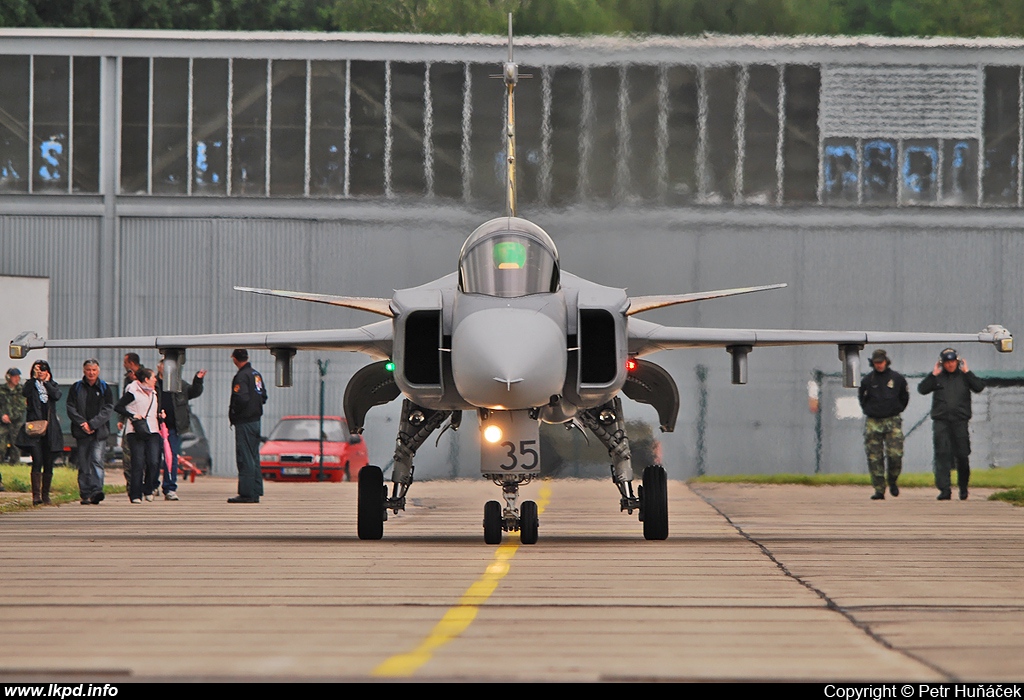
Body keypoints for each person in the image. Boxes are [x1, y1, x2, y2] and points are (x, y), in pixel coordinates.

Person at [918, 348, 985, 501]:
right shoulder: (938, 378)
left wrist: (968, 372)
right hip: (942, 422)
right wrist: (932, 375)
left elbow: (979, 387)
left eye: (952, 361)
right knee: (942, 455)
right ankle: (944, 489)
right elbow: (922, 389)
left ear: (957, 361)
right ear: (942, 363)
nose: (950, 365)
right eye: (947, 362)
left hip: (960, 422)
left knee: (962, 455)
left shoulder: (964, 377)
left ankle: (963, 488)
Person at [858, 349, 910, 500]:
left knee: (895, 455)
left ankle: (892, 480)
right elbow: (862, 399)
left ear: (886, 361)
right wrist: (870, 411)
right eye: (876, 363)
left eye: (881, 362)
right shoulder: (867, 381)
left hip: (892, 420)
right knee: (874, 457)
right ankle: (879, 489)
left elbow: (904, 397)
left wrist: (896, 409)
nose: (879, 365)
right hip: (873, 421)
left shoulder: (897, 378)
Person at [66, 359, 115, 505]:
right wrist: (82, 423)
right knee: (84, 462)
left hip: (99, 432)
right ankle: (85, 493)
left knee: (97, 460)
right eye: (88, 370)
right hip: (82, 432)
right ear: (84, 370)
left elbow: (108, 409)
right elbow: (70, 407)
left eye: (94, 370)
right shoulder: (76, 387)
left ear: (98, 371)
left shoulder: (105, 388)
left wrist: (93, 424)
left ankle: (96, 491)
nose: (91, 373)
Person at [156, 360, 206, 500]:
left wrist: (198, 380)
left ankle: (170, 488)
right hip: (154, 428)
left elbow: (193, 392)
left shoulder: (179, 385)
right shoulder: (152, 383)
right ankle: (152, 486)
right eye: (163, 366)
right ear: (158, 368)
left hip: (172, 428)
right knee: (153, 459)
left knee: (171, 459)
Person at [16, 360, 63, 505]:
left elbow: (56, 396)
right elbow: (25, 392)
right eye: (39, 369)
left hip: (50, 428)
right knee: (37, 459)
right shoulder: (31, 385)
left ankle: (46, 495)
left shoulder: (52, 385)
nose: (41, 371)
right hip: (35, 427)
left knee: (49, 461)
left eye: (44, 369)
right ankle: (36, 496)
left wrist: (46, 382)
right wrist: (35, 378)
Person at [114, 367, 163, 504]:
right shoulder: (132, 391)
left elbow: (154, 409)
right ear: (146, 379)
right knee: (138, 462)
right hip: (136, 431)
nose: (155, 379)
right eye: (153, 377)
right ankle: (135, 494)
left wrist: (160, 415)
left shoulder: (154, 391)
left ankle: (148, 488)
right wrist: (132, 415)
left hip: (153, 430)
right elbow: (118, 406)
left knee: (153, 461)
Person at [228, 349, 267, 504]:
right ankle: (256, 489)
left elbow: (241, 398)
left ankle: (247, 493)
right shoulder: (255, 374)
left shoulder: (241, 376)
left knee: (244, 457)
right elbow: (263, 396)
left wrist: (235, 413)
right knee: (253, 456)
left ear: (234, 359)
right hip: (256, 421)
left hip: (245, 422)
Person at [0, 368, 27, 490]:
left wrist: (11, 416)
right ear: (9, 377)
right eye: (15, 376)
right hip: (2, 423)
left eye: (18, 377)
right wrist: (2, 416)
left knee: (16, 446)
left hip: (16, 423)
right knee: (1, 446)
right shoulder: (2, 390)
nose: (17, 379)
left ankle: (14, 468)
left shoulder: (21, 391)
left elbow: (22, 406)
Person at [120, 353, 142, 488]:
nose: (124, 365)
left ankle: (144, 483)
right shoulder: (127, 379)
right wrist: (121, 419)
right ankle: (130, 484)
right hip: (129, 421)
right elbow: (123, 401)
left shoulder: (147, 376)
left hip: (143, 421)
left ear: (132, 363)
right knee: (127, 454)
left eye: (125, 362)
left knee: (142, 455)